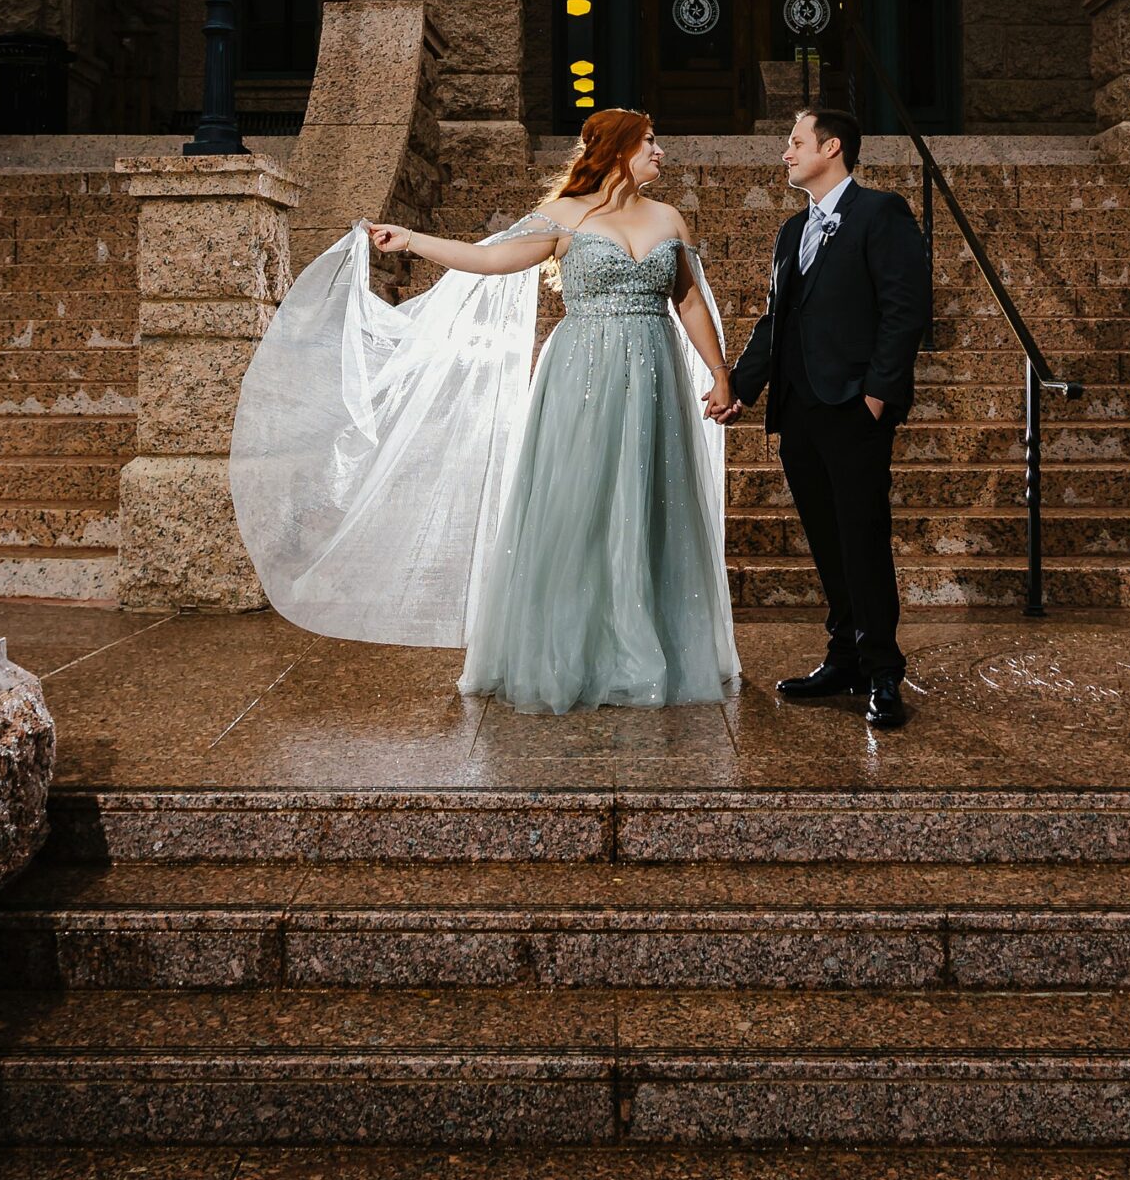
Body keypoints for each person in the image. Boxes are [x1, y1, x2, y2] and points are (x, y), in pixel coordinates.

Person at [227, 106, 740, 717]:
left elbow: (686, 299)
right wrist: (411, 239)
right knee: (577, 502)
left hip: (655, 370)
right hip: (582, 373)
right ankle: (571, 650)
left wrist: (718, 371)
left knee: (650, 497)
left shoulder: (669, 218)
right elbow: (489, 259)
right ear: (618, 148)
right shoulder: (563, 216)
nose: (661, 154)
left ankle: (653, 647)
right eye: (651, 143)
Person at [715, 103, 932, 728]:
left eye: (795, 142)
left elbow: (905, 307)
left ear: (831, 148)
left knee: (862, 536)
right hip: (800, 409)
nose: (786, 152)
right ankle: (845, 657)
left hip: (854, 407)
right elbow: (775, 321)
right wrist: (739, 387)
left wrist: (877, 394)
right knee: (826, 538)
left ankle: (884, 670)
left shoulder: (879, 212)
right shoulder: (791, 231)